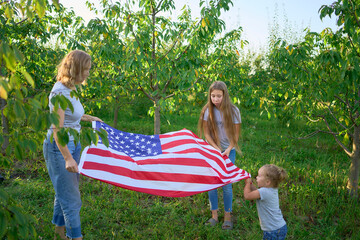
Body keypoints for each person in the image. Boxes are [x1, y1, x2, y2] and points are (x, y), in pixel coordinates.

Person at [43, 50, 102, 240]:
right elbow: (57, 128)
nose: (87, 73)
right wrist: (67, 157)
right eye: (85, 69)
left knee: (64, 193)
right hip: (60, 148)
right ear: (75, 68)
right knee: (72, 200)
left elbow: (71, 116)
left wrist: (90, 118)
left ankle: (59, 235)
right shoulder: (59, 92)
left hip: (73, 143)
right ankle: (75, 237)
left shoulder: (71, 88)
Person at [198, 81, 241, 230]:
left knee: (226, 185)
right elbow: (207, 134)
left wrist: (228, 149)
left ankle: (227, 216)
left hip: (229, 151)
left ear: (225, 95)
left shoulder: (234, 111)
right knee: (212, 184)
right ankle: (214, 216)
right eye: (213, 96)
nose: (215, 99)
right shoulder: (207, 110)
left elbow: (235, 136)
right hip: (213, 150)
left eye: (218, 96)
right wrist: (216, 149)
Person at [244, 164, 288, 240]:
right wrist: (250, 184)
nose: (256, 177)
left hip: (272, 230)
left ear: (267, 182)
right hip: (279, 227)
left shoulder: (265, 192)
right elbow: (256, 192)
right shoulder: (270, 189)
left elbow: (247, 196)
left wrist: (247, 183)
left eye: (259, 176)